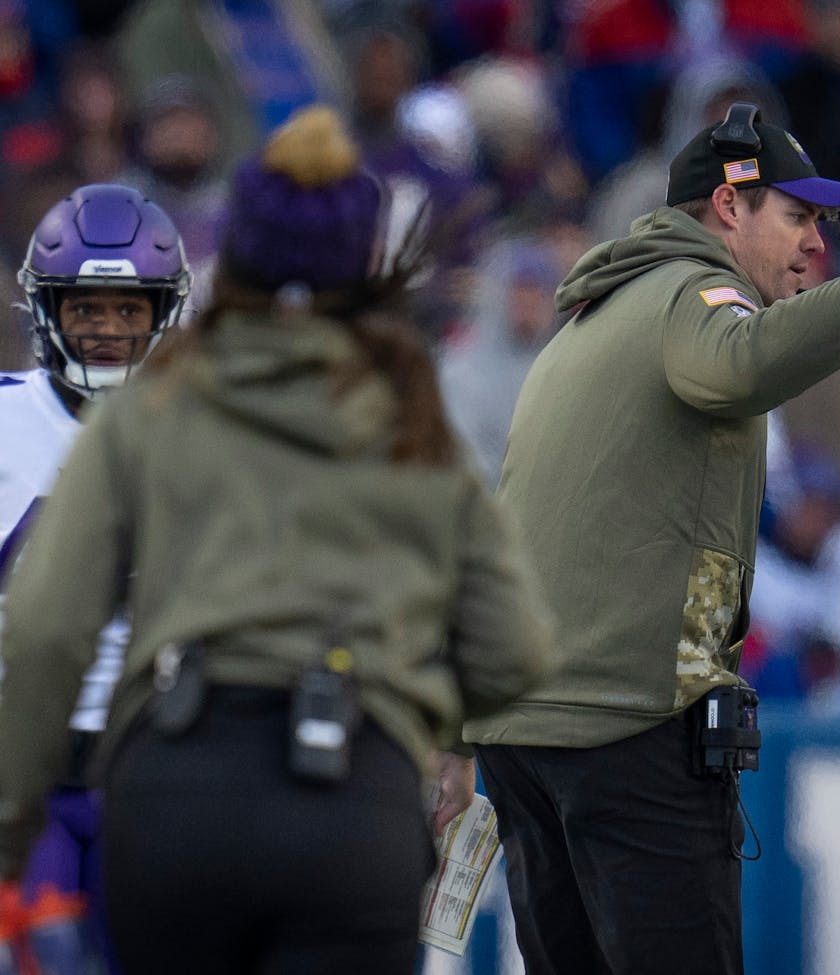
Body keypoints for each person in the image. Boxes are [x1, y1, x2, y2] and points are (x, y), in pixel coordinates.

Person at [463, 101, 840, 975]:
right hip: (621, 731)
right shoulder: (691, 292)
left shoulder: (596, 316)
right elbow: (742, 364)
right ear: (728, 207)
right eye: (798, 215)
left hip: (529, 732)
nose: (817, 242)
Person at [0, 104, 556, 974]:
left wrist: (9, 823)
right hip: (352, 799)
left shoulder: (150, 411)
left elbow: (45, 628)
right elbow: (516, 647)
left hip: (171, 787)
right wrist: (424, 713)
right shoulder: (403, 411)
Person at [0, 182, 190, 973]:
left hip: (157, 769)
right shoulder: (8, 422)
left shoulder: (203, 435)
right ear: (50, 311)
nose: (108, 330)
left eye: (127, 310)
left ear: (161, 314)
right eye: (86, 308)